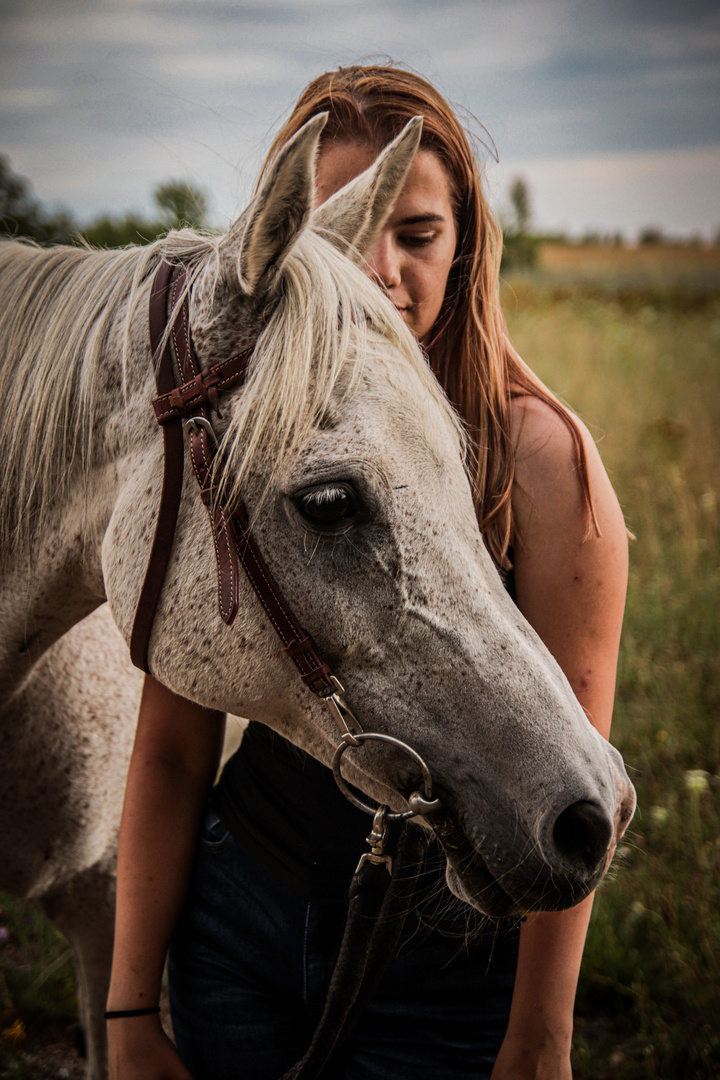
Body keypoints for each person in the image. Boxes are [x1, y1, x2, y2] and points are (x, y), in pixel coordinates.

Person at [107, 65, 628, 1080]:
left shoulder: (542, 458)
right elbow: (172, 746)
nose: (379, 271)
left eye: (419, 234)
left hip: (445, 964)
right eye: (345, 231)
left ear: (467, 241)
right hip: (238, 921)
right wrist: (128, 1007)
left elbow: (575, 751)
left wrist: (540, 1036)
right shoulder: (252, 436)